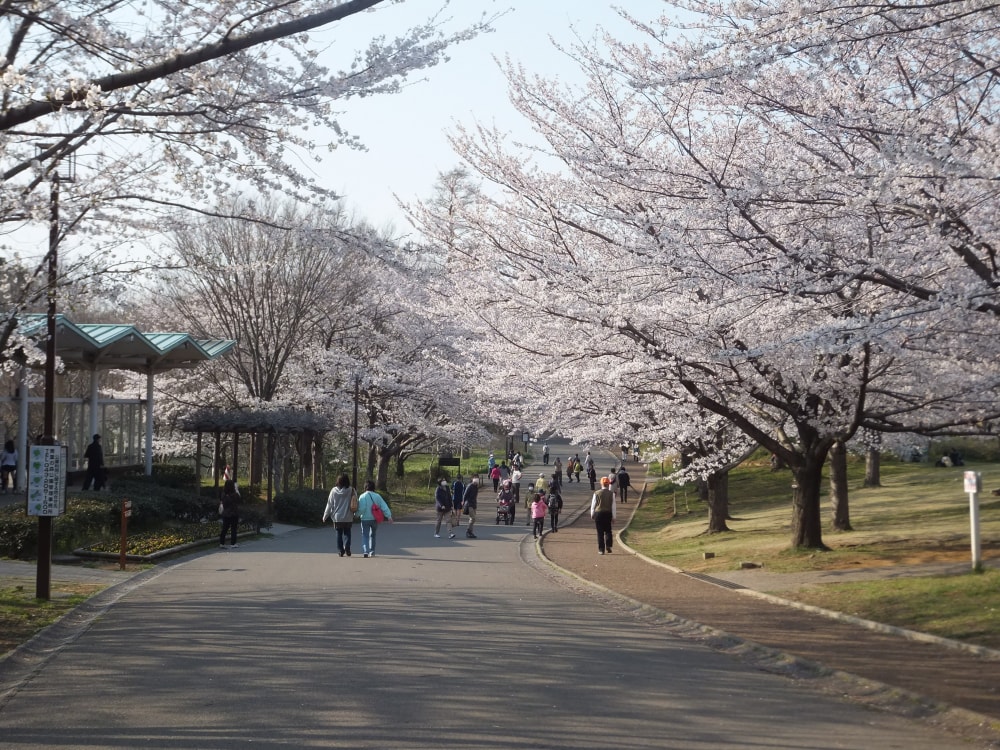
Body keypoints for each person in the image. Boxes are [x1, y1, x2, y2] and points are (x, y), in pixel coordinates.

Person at [322, 473, 357, 556]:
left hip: (337, 517)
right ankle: (347, 547)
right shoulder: (352, 490)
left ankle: (341, 550)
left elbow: (329, 504)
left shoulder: (333, 491)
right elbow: (355, 502)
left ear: (338, 481)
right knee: (347, 533)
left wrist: (325, 516)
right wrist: (355, 513)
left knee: (339, 534)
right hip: (348, 516)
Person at [357, 480, 393, 557]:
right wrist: (389, 516)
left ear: (365, 487)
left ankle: (366, 551)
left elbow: (362, 509)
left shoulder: (362, 496)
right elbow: (384, 506)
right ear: (373, 487)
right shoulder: (377, 496)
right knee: (373, 535)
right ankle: (372, 551)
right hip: (374, 519)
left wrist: (356, 514)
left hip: (365, 519)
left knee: (365, 535)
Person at [591, 476, 617, 555]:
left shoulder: (596, 493)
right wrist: (614, 517)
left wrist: (592, 514)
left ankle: (601, 549)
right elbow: (613, 506)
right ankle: (608, 545)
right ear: (608, 484)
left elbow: (593, 505)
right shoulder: (611, 494)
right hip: (608, 513)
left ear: (601, 483)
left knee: (600, 532)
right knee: (608, 530)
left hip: (598, 513)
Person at [219, 478, 240, 548]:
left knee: (224, 529)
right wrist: (237, 489)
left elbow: (223, 502)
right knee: (233, 529)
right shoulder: (234, 494)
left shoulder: (223, 494)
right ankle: (233, 544)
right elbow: (239, 499)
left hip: (226, 514)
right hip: (234, 513)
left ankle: (221, 543)